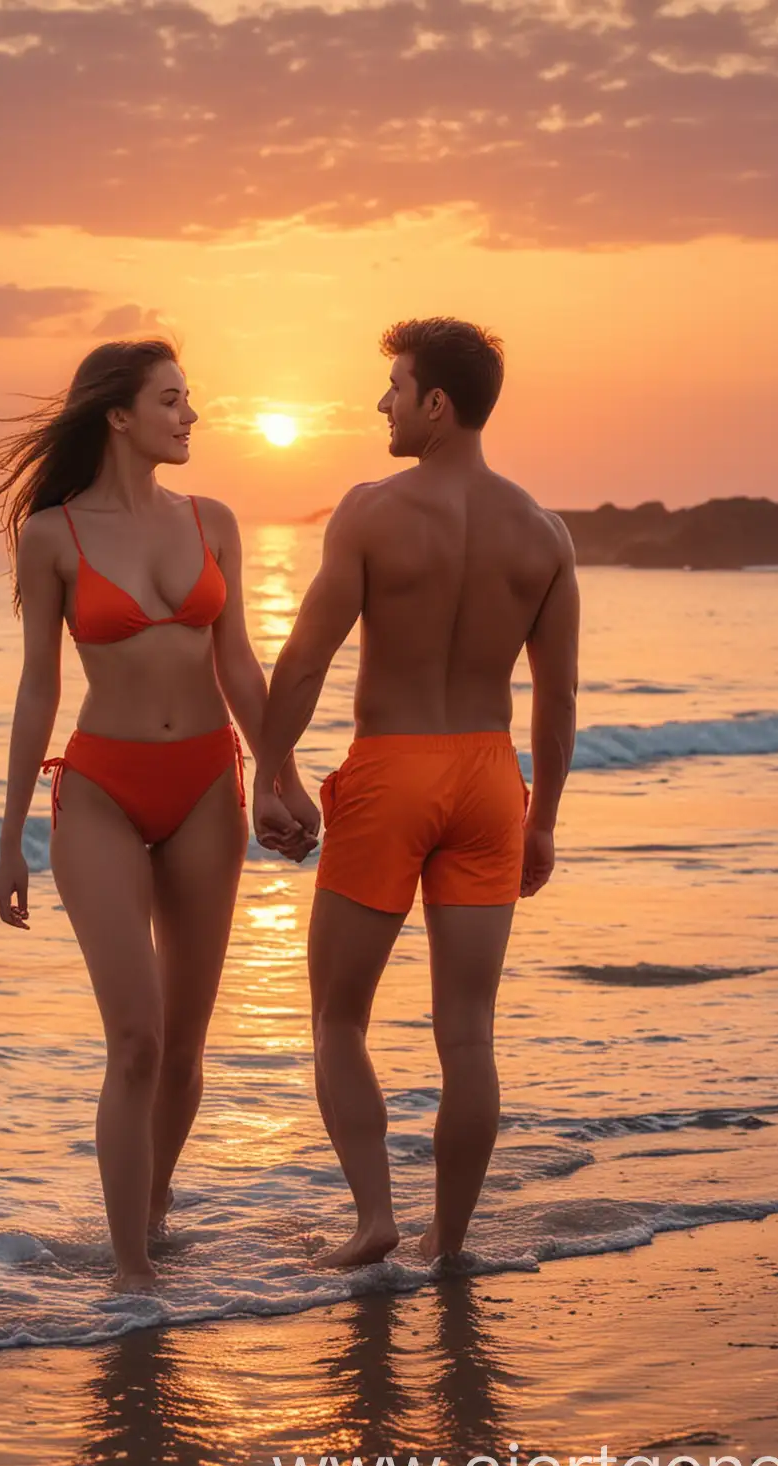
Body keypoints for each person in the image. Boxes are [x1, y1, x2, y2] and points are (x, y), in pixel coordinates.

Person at [0, 340, 318, 1292]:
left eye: (191, 400)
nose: (190, 417)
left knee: (182, 1046)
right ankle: (131, 1274)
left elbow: (239, 665)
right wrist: (8, 841)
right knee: (133, 1036)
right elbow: (37, 688)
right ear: (119, 417)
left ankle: (156, 1205)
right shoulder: (54, 535)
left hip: (209, 785)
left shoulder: (213, 521)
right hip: (99, 790)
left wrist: (283, 775)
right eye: (172, 401)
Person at [253, 318, 580, 1269]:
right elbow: (556, 699)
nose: (382, 404)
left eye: (395, 387)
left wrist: (269, 770)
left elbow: (307, 658)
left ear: (438, 404)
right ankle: (449, 1241)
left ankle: (373, 1219)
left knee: (338, 1017)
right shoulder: (543, 534)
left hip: (393, 766)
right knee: (469, 1036)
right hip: (488, 778)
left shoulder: (369, 511)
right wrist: (543, 818)